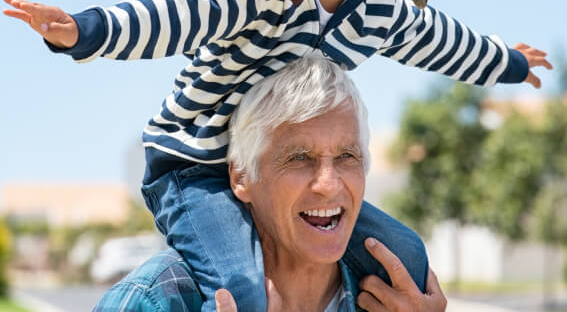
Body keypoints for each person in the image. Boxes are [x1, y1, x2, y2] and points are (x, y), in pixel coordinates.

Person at [4, 0, 551, 312]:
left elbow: (438, 40)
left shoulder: (379, 0)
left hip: (282, 170)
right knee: (242, 289)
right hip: (195, 166)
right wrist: (84, 30)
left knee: (405, 255)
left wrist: (510, 62)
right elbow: (176, 14)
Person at [93, 57, 448, 311]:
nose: (328, 184)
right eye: (299, 158)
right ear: (241, 176)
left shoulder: (398, 300)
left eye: (347, 157)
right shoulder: (157, 299)